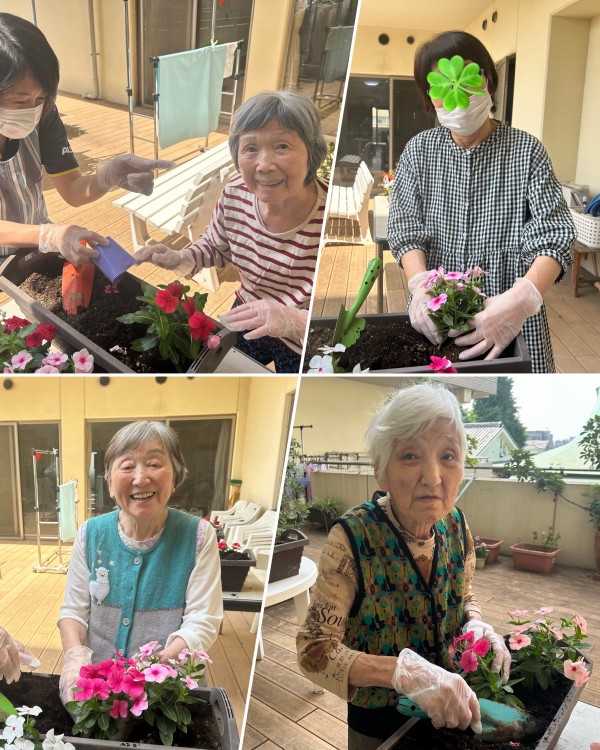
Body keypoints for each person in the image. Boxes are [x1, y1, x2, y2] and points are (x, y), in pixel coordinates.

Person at [297, 383, 511, 749]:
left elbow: (463, 594)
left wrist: (476, 622)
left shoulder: (455, 523)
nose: (433, 477)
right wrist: (403, 672)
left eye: (448, 455)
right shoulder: (351, 538)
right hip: (381, 724)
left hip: (453, 709)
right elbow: (313, 651)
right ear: (381, 471)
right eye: (410, 456)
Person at [387, 31, 576, 373]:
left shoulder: (527, 151)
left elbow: (554, 235)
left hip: (510, 310)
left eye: (467, 77)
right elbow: (405, 228)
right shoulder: (419, 151)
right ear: (429, 96)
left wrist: (521, 300)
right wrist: (419, 285)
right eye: (442, 86)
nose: (458, 96)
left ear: (488, 79)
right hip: (439, 310)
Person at [134, 90, 329, 373]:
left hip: (300, 337)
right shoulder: (235, 193)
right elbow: (216, 246)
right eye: (250, 148)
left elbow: (335, 317)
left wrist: (293, 321)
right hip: (247, 311)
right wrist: (180, 257)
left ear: (312, 151)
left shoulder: (329, 218)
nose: (264, 165)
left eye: (282, 146)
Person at [57, 421, 223, 704]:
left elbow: (203, 620)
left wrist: (157, 665)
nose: (140, 478)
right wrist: (75, 659)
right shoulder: (91, 533)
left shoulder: (198, 535)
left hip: (165, 693)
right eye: (127, 466)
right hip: (98, 691)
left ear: (175, 478)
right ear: (110, 484)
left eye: (154, 464)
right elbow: (74, 610)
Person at [0, 13, 172, 263]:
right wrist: (49, 234)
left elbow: (72, 189)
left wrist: (105, 178)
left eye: (41, 98)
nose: (32, 110)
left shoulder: (43, 114)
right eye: (19, 100)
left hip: (32, 250)